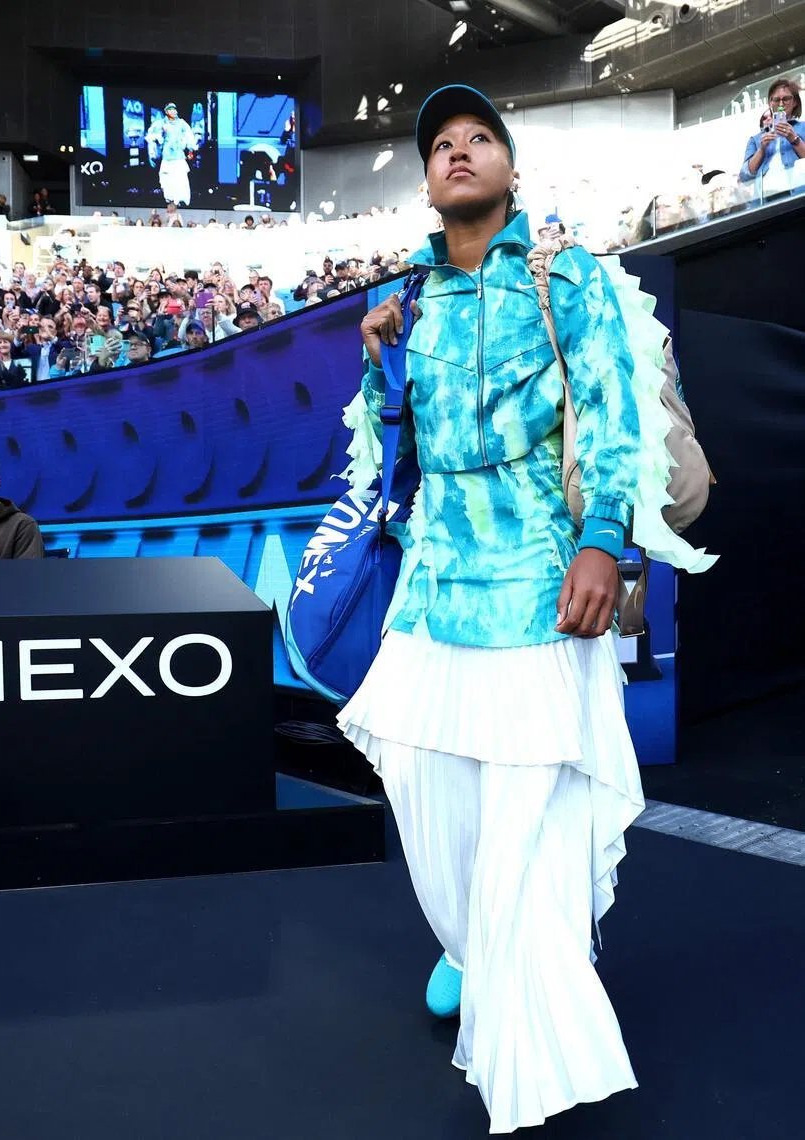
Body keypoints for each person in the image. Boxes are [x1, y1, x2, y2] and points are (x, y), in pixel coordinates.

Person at [335, 84, 710, 1134]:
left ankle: (531, 1009)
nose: (457, 153)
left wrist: (603, 541)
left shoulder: (566, 275)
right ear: (426, 181)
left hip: (542, 575)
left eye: (479, 139)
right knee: (425, 789)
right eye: (440, 145)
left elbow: (612, 411)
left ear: (509, 167)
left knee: (530, 810)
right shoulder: (408, 299)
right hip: (435, 585)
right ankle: (474, 943)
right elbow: (396, 455)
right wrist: (379, 363)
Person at [739, 77, 805, 187]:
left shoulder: (803, 127)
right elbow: (744, 177)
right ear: (770, 103)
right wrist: (761, 150)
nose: (781, 104)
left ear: (795, 102)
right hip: (766, 196)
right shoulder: (756, 139)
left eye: (786, 99)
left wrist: (795, 140)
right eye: (776, 99)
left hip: (799, 193)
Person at [145, 102, 196, 206]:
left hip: (178, 157)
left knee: (181, 179)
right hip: (167, 157)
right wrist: (153, 152)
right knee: (167, 180)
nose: (173, 111)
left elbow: (189, 137)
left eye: (174, 109)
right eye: (170, 109)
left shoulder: (182, 123)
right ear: (166, 112)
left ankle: (182, 200)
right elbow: (151, 137)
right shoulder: (161, 123)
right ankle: (170, 200)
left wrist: (190, 149)